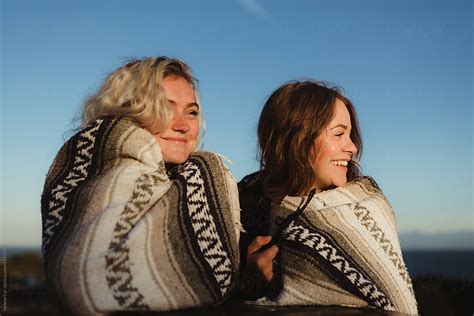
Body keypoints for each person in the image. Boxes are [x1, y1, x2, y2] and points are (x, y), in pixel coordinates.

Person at [41, 57, 241, 315]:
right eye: (164, 109)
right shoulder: (99, 171)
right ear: (127, 110)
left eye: (191, 112)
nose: (182, 125)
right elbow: (87, 284)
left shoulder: (181, 181)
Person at [239, 81, 418, 314]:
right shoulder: (246, 202)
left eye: (350, 134)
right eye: (339, 134)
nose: (352, 147)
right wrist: (245, 282)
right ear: (298, 137)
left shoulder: (364, 211)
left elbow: (399, 303)